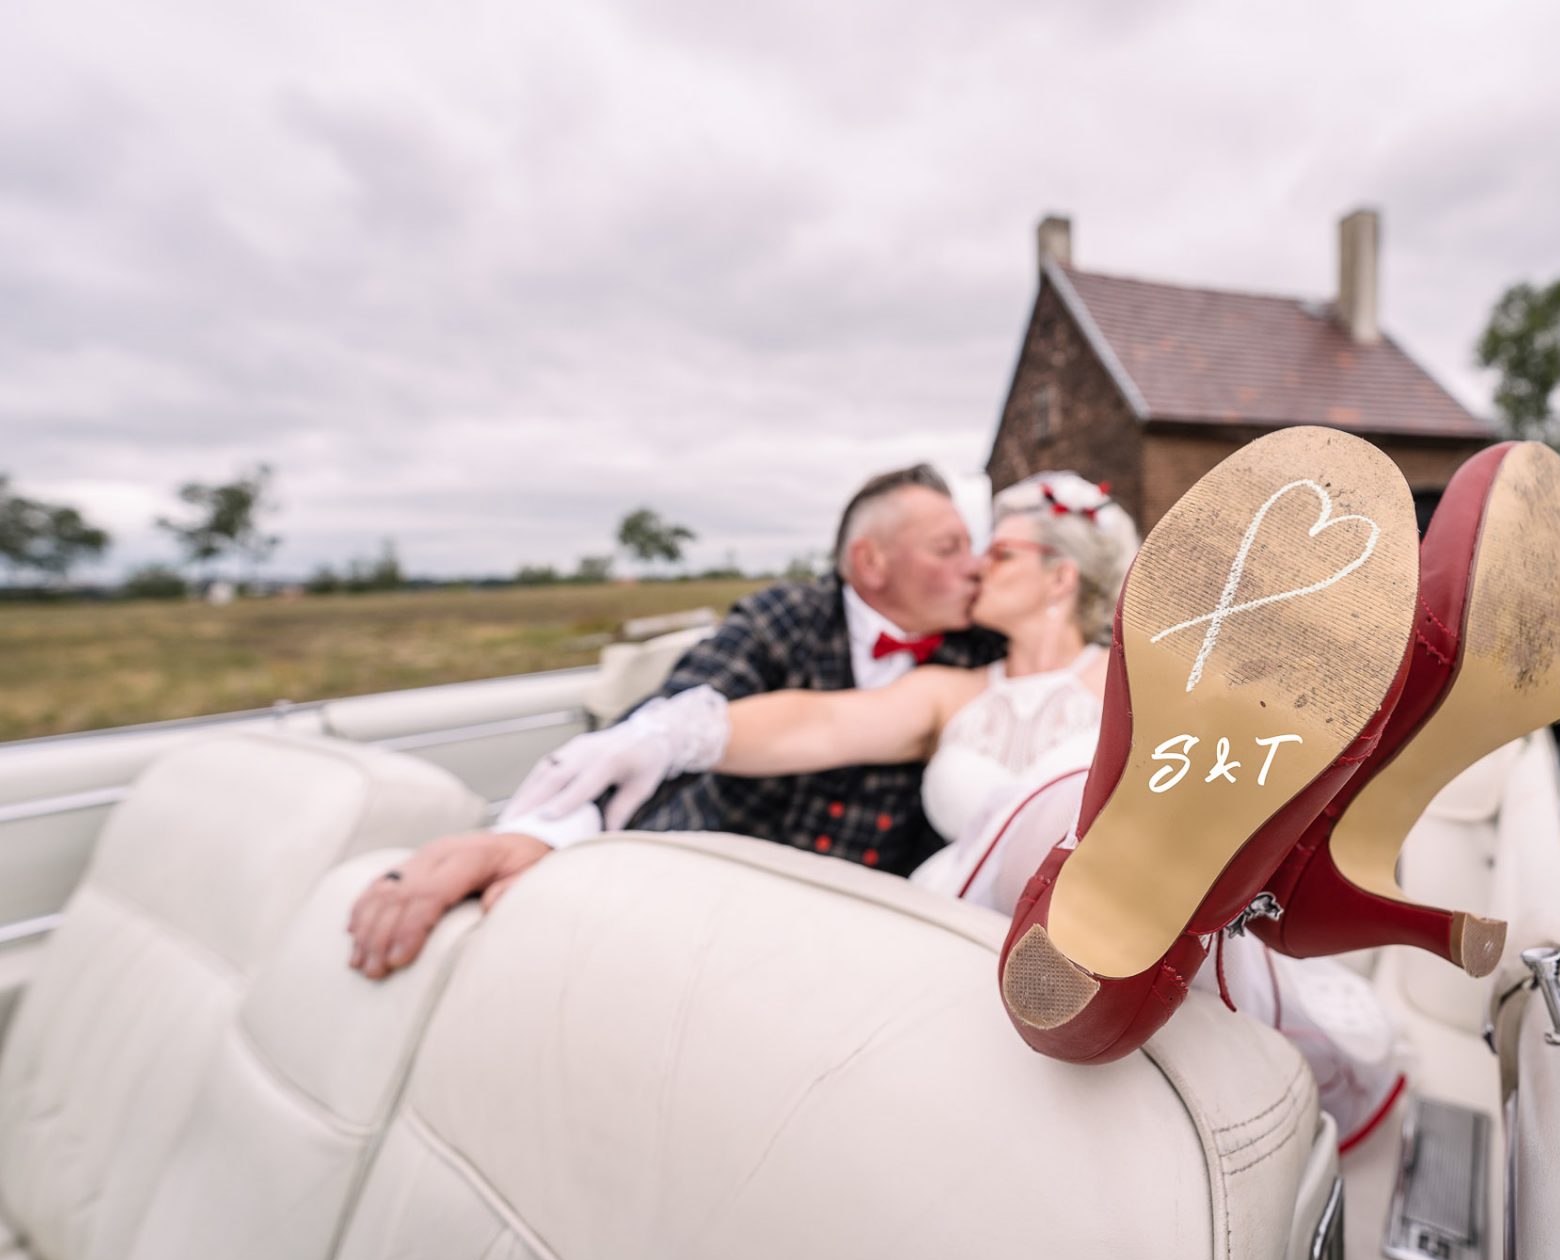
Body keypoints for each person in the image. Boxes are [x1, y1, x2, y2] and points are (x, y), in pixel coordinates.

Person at [453, 468, 1407, 1144]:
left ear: (1057, 576)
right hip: (956, 927)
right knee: (1077, 813)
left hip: (1115, 915)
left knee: (1109, 802)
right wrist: (680, 730)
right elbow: (825, 725)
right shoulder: (957, 687)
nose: (973, 568)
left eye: (995, 552)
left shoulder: (1139, 685)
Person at [346, 462, 1003, 980]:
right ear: (871, 563)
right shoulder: (787, 619)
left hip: (853, 937)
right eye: (949, 548)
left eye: (974, 548)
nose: (974, 567)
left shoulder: (980, 650)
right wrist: (533, 836)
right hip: (701, 893)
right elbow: (667, 721)